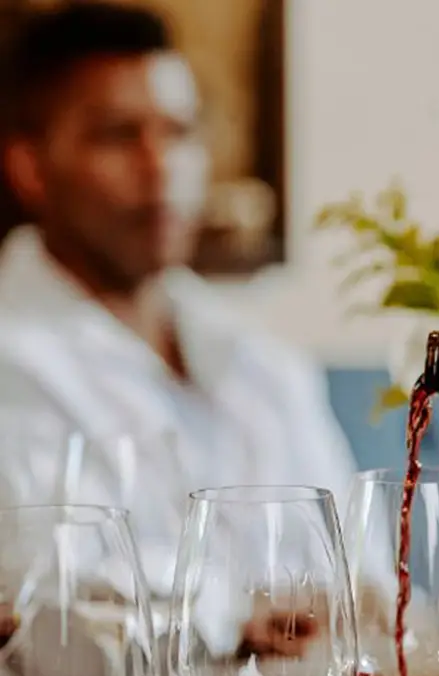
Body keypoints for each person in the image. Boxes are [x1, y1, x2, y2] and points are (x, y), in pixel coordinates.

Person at [0, 1, 358, 521]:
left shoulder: (262, 362)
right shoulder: (14, 366)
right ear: (30, 167)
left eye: (180, 132)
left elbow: (363, 559)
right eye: (118, 135)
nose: (160, 166)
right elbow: (53, 568)